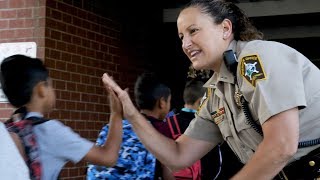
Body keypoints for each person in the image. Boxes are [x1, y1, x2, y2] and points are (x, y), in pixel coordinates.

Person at [101, 0, 320, 179]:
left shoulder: (257, 59)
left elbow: (281, 146)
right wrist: (131, 114)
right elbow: (178, 156)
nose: (185, 44)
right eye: (181, 37)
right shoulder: (216, 94)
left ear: (225, 28)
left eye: (193, 31)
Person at [0, 54, 123, 180]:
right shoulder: (50, 131)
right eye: (51, 85)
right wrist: (116, 112)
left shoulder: (5, 130)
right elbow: (108, 157)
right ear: (41, 89)